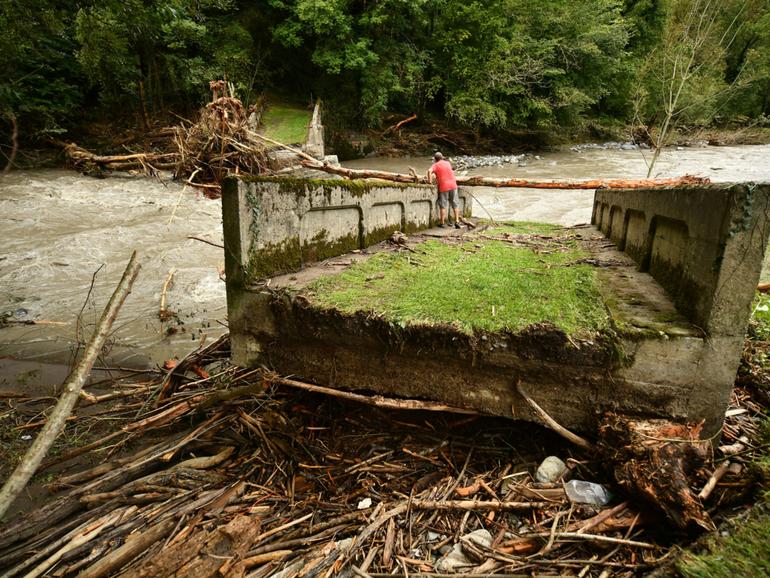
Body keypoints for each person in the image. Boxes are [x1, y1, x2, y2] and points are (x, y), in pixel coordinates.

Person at [427, 152, 461, 228]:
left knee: (443, 205)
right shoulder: (447, 163)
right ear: (442, 157)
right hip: (453, 184)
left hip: (444, 186)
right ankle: (457, 221)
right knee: (455, 204)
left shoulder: (435, 165)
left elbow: (429, 171)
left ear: (435, 159)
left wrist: (429, 182)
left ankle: (442, 223)